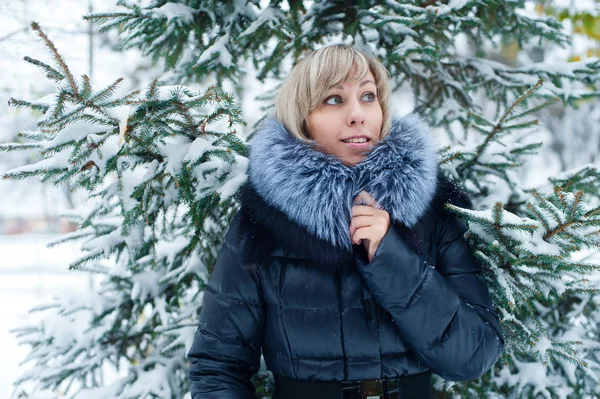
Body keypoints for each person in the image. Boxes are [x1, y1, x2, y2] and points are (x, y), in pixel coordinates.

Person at [186, 44, 504, 399]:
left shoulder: (431, 207)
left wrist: (391, 259)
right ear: (302, 117)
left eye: (368, 96)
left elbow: (476, 356)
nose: (357, 114)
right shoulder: (262, 219)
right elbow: (217, 368)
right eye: (334, 100)